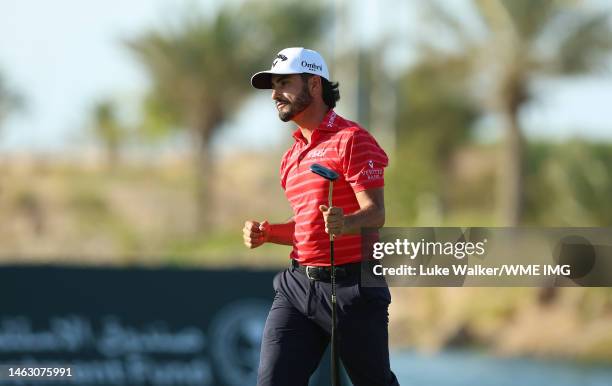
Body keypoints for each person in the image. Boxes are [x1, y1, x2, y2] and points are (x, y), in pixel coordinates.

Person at [244, 47, 400, 386]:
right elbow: (308, 227)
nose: (275, 95)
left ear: (314, 84)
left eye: (284, 83)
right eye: (273, 86)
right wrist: (268, 233)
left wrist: (347, 221)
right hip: (298, 286)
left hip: (353, 286)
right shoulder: (291, 157)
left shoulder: (353, 140)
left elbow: (376, 213)